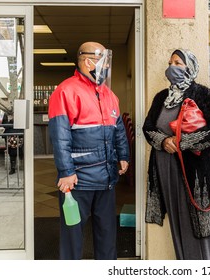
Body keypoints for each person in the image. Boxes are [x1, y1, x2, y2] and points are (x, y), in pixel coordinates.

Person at [143, 49, 210, 260]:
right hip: (165, 170)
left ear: (190, 67)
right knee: (178, 224)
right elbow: (147, 127)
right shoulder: (161, 97)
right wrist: (163, 141)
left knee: (198, 226)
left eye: (178, 63)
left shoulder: (202, 94)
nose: (172, 66)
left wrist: (181, 142)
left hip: (194, 174)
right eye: (170, 62)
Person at [48, 41, 130, 260]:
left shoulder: (109, 94)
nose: (106, 68)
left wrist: (123, 156)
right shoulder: (65, 91)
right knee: (73, 235)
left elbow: (118, 129)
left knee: (106, 234)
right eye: (103, 62)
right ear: (88, 61)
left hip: (106, 178)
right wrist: (66, 172)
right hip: (78, 180)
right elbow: (60, 136)